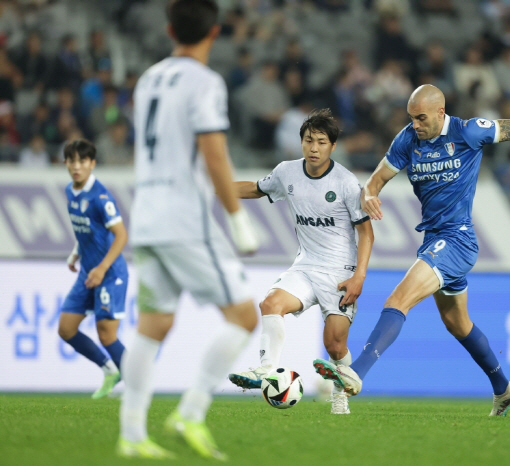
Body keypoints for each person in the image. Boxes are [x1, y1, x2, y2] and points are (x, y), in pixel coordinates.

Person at [313, 84, 510, 416]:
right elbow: (376, 180)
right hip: (434, 239)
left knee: (397, 299)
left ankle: (355, 373)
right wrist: (371, 194)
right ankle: (504, 388)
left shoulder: (469, 131)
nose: (415, 124)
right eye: (411, 118)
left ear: (440, 113)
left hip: (458, 239)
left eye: (420, 118)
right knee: (457, 324)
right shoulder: (407, 139)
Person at [117, 0, 259, 460]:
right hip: (184, 218)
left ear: (169, 29)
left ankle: (132, 436)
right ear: (214, 32)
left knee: (153, 324)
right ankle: (191, 412)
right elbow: (214, 153)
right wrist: (237, 218)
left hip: (148, 215)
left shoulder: (149, 79)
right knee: (244, 317)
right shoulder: (205, 82)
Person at [228, 109, 374, 415]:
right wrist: (220, 188)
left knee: (335, 346)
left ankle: (340, 394)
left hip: (340, 273)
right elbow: (257, 188)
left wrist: (359, 276)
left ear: (333, 146)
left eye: (321, 142)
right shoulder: (286, 172)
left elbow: (366, 233)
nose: (314, 147)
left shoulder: (346, 183)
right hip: (305, 266)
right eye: (309, 140)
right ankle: (266, 370)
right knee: (270, 304)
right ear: (301, 142)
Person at [59, 138, 128, 400]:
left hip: (109, 273)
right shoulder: (69, 191)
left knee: (107, 334)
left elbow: (121, 236)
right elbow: (85, 229)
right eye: (72, 161)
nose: (77, 166)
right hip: (88, 271)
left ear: (92, 163)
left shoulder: (101, 197)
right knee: (66, 329)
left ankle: (135, 386)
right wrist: (76, 252)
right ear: (65, 163)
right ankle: (110, 370)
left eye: (82, 161)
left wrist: (101, 268)